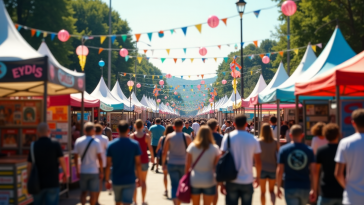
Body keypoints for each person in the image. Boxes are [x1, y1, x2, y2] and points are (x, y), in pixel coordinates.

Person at [220, 114, 262, 205]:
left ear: (234, 124)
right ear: (246, 124)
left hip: (231, 179)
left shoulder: (227, 138)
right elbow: (258, 161)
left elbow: (221, 159)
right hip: (247, 179)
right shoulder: (253, 139)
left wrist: (221, 182)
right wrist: (258, 177)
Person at [27, 123, 67, 205]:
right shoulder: (55, 144)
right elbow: (62, 160)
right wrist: (65, 174)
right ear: (49, 131)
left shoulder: (33, 145)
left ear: (37, 132)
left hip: (37, 183)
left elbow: (29, 165)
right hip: (53, 182)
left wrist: (29, 179)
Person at [276, 125, 317, 205]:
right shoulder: (309, 150)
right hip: (305, 186)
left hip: (289, 186)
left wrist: (278, 187)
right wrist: (314, 189)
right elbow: (314, 171)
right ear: (302, 135)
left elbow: (280, 170)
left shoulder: (283, 150)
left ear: (290, 135)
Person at [105, 120, 143, 205]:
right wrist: (139, 178)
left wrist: (107, 180)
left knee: (117, 202)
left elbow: (108, 165)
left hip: (116, 179)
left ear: (117, 130)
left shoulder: (111, 145)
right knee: (127, 202)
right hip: (130, 179)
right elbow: (138, 163)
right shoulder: (134, 144)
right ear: (128, 130)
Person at [335, 109, 364, 205]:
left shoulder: (345, 143)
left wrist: (348, 188)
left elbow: (338, 173)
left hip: (352, 198)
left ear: (353, 123)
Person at [185, 126, 220, 205]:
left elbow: (187, 164)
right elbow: (217, 166)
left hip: (195, 179)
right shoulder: (215, 148)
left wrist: (186, 177)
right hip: (209, 179)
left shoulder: (192, 147)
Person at [162, 118, 192, 205]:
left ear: (174, 127)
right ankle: (180, 200)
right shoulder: (187, 137)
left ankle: (176, 202)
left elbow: (164, 152)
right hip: (184, 164)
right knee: (182, 183)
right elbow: (192, 151)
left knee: (174, 184)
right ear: (182, 126)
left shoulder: (169, 137)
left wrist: (164, 163)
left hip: (172, 163)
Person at [73, 122, 104, 205]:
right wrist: (101, 171)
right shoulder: (96, 142)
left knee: (83, 192)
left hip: (83, 170)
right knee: (93, 193)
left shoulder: (78, 141)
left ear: (84, 131)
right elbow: (100, 158)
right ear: (93, 130)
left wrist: (77, 170)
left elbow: (75, 157)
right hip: (94, 171)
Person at [315, 123, 343, 205]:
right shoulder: (344, 150)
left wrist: (314, 189)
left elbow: (316, 171)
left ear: (325, 135)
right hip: (342, 191)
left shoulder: (321, 150)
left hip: (325, 191)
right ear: (338, 135)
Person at [130, 119, 154, 205]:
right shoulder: (146, 136)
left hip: (135, 161)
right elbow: (150, 148)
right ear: (143, 127)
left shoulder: (132, 136)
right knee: (143, 181)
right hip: (144, 160)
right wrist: (152, 157)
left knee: (135, 181)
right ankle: (143, 201)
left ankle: (135, 201)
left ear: (135, 126)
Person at [259, 123, 280, 205]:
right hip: (273, 169)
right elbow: (280, 155)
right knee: (272, 191)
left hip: (262, 169)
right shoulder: (275, 142)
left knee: (262, 192)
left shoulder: (259, 142)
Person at [156, 125, 175, 198]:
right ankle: (174, 189)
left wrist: (157, 151)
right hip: (173, 157)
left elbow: (159, 146)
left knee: (165, 175)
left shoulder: (162, 138)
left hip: (165, 157)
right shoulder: (174, 137)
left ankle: (166, 190)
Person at [94, 124, 109, 204]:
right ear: (101, 130)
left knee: (93, 182)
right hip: (102, 163)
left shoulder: (91, 138)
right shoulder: (104, 138)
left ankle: (93, 198)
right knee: (99, 182)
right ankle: (96, 199)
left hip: (91, 163)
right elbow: (108, 149)